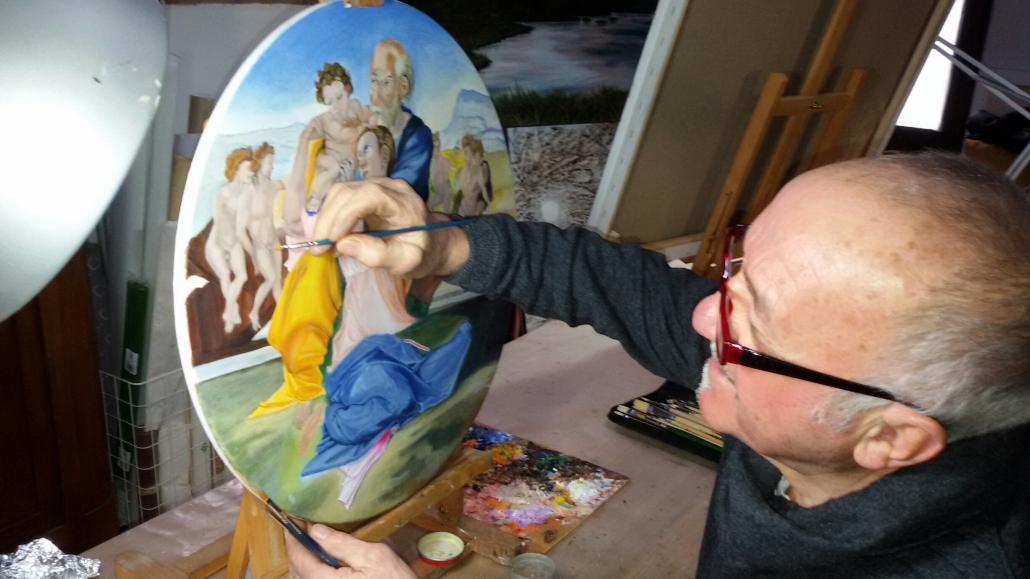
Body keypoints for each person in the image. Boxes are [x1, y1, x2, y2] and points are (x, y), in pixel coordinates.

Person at [286, 152, 1030, 578]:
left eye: (751, 328)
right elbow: (608, 281)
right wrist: (444, 245)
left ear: (889, 438)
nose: (707, 320)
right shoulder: (820, 385)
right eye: (736, 272)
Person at [283, 62, 373, 239]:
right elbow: (306, 135)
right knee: (332, 166)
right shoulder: (324, 120)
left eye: (339, 97)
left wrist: (360, 125)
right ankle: (315, 200)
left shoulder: (356, 108)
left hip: (349, 171)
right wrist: (307, 134)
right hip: (327, 165)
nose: (336, 106)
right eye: (330, 102)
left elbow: (375, 122)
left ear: (348, 90)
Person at [368, 39, 432, 200]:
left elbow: (394, 197)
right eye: (374, 81)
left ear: (402, 87)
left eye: (387, 83)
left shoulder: (418, 138)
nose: (376, 97)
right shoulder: (361, 124)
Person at [205, 148, 256, 334]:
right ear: (236, 169)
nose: (250, 173)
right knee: (225, 274)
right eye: (248, 169)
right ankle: (230, 312)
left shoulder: (245, 194)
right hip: (217, 241)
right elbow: (218, 222)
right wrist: (224, 249)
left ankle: (229, 311)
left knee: (242, 276)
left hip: (234, 240)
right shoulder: (224, 192)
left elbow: (245, 223)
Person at [246, 142, 284, 330]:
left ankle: (283, 320)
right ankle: (254, 312)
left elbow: (290, 184)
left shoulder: (272, 185)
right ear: (260, 162)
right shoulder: (249, 190)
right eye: (269, 163)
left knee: (278, 283)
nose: (272, 167)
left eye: (273, 163)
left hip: (273, 239)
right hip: (260, 244)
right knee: (270, 279)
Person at [456, 134, 492, 217]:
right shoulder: (464, 171)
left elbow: (483, 192)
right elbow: (464, 195)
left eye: (466, 153)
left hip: (476, 211)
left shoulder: (482, 169)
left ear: (474, 154)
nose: (464, 157)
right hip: (464, 211)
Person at [427, 132, 456, 213]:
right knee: (428, 206)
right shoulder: (432, 161)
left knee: (446, 213)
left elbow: (454, 168)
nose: (436, 150)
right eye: (434, 147)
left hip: (446, 191)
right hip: (438, 192)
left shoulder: (442, 159)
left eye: (438, 147)